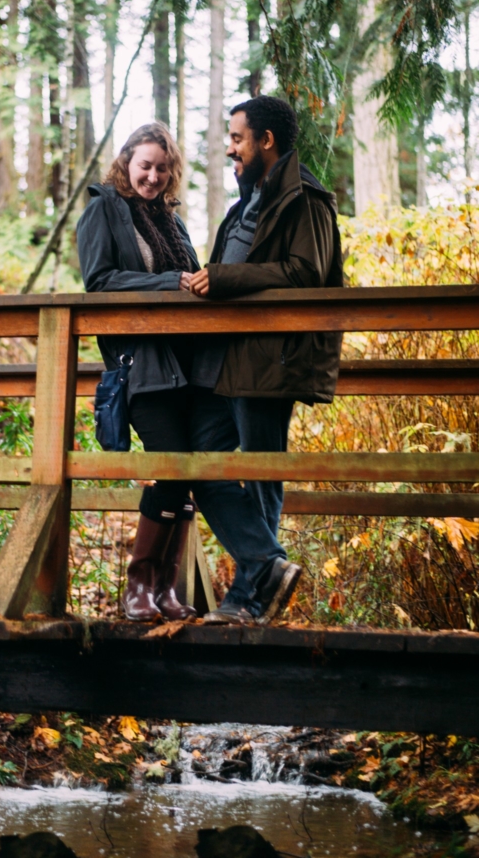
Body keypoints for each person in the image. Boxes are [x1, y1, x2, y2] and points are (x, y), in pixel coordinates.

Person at [187, 95, 344, 624]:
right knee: (197, 459)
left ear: (265, 141)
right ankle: (265, 562)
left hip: (270, 360)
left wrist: (226, 279)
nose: (229, 148)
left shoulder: (307, 200)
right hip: (226, 360)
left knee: (260, 476)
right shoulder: (246, 202)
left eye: (236, 137)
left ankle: (247, 601)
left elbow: (306, 273)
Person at [77, 122, 200, 622]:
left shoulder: (172, 220)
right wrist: (172, 282)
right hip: (141, 364)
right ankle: (138, 585)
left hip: (189, 364)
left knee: (187, 473)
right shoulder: (103, 209)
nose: (152, 176)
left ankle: (165, 588)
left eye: (161, 168)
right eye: (144, 165)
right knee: (170, 465)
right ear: (127, 162)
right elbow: (99, 281)